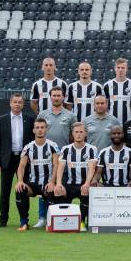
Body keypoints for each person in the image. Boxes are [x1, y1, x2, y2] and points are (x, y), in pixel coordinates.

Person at [36, 86, 76, 227]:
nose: (56, 98)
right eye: (54, 95)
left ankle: (56, 216)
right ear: (50, 97)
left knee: (60, 185)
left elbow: (73, 137)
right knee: (43, 185)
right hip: (45, 157)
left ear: (63, 97)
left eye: (59, 95)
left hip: (63, 157)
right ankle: (42, 217)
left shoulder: (70, 115)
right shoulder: (43, 114)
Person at [0, 93, 34, 227]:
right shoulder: (2, 119)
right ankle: (3, 220)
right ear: (10, 103)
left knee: (24, 189)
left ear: (23, 104)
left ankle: (24, 219)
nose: (17, 104)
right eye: (15, 102)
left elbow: (32, 142)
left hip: (23, 160)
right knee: (5, 191)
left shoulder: (29, 119)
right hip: (7, 159)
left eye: (20, 102)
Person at [13, 118, 59, 231]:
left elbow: (56, 165)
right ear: (33, 130)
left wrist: (52, 182)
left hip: (48, 183)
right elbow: (21, 166)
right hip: (33, 184)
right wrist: (20, 181)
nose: (40, 130)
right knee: (20, 189)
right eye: (37, 128)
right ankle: (24, 223)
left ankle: (49, 222)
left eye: (42, 127)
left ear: (46, 129)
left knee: (51, 191)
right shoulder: (28, 147)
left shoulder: (52, 145)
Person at [54, 122, 98, 231]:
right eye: (76, 132)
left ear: (86, 134)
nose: (78, 134)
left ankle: (82, 222)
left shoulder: (92, 149)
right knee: (58, 191)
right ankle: (62, 222)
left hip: (83, 183)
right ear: (72, 134)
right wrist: (59, 184)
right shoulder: (66, 149)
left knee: (85, 191)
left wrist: (87, 183)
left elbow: (92, 168)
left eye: (81, 132)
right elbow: (60, 167)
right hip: (69, 184)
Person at [103, 57, 131, 124]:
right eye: (118, 67)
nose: (120, 70)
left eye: (123, 68)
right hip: (111, 123)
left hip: (129, 123)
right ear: (115, 68)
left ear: (126, 69)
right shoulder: (107, 86)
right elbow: (105, 105)